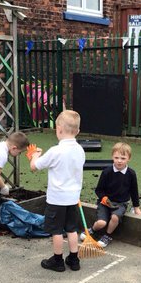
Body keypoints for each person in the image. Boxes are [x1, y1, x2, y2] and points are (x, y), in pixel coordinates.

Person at [27, 110, 86, 271]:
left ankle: (58, 261)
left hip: (56, 199)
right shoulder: (80, 150)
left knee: (57, 231)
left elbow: (34, 167)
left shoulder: (55, 151)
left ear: (58, 129)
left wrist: (34, 155)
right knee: (72, 229)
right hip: (73, 198)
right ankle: (74, 259)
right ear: (78, 131)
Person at [85, 141, 141, 247]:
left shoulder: (131, 174)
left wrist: (137, 207)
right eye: (116, 158)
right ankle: (92, 230)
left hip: (121, 203)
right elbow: (99, 190)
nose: (119, 161)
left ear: (128, 158)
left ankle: (107, 236)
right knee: (101, 223)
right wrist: (103, 198)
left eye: (123, 158)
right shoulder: (107, 172)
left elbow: (134, 191)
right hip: (105, 202)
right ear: (112, 157)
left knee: (115, 217)